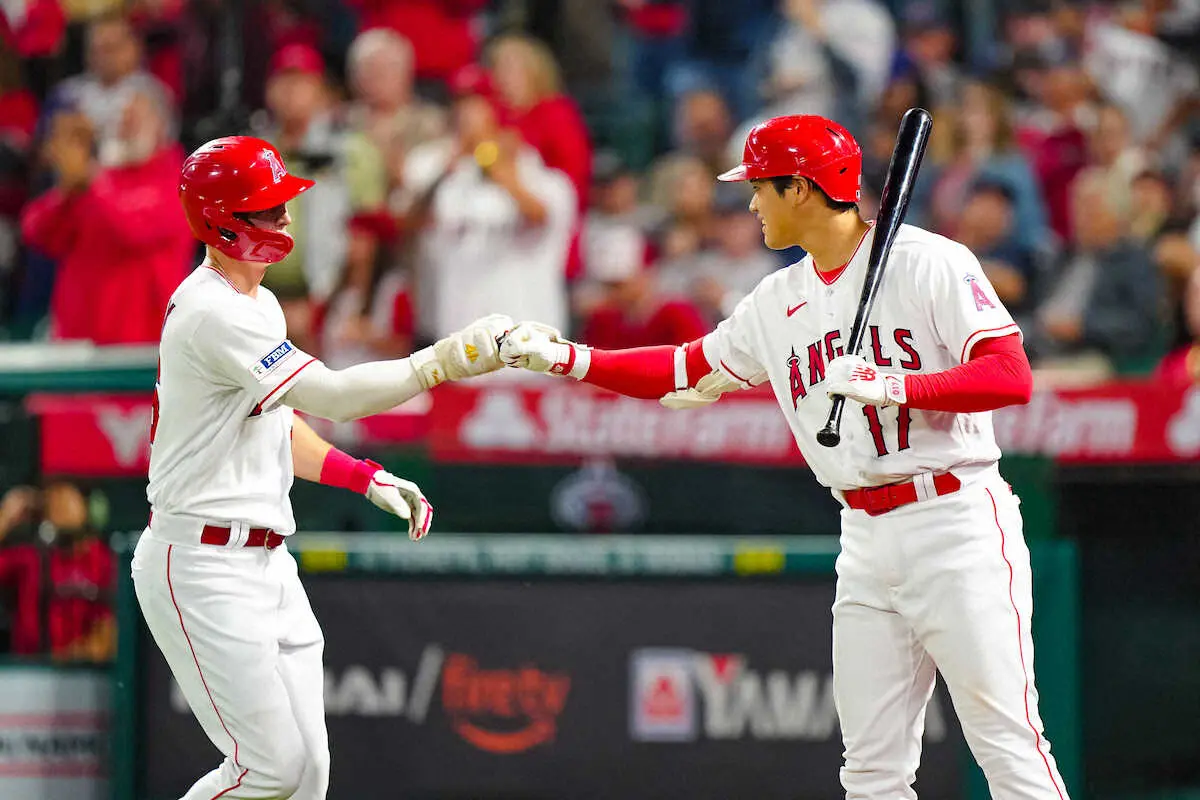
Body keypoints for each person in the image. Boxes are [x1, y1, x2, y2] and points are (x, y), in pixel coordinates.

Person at [501, 115, 1071, 800]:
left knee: (1007, 746)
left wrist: (894, 386)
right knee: (871, 770)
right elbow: (685, 370)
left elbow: (1011, 375)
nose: (750, 204)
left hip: (952, 517)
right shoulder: (779, 299)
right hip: (863, 534)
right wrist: (571, 358)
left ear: (801, 188)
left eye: (761, 188)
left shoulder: (927, 262)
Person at [133, 135, 511, 800]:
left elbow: (279, 427)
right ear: (222, 219)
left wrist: (364, 476)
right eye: (267, 207)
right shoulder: (211, 311)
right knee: (270, 769)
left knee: (307, 776)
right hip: (201, 562)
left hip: (265, 558)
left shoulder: (258, 304)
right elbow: (333, 396)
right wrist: (442, 361)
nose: (285, 219)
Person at [20, 91, 193, 344]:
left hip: (144, 346)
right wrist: (66, 190)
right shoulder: (101, 180)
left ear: (164, 126)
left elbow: (133, 230)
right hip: (77, 341)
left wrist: (91, 177)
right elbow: (37, 232)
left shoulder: (179, 182)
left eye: (135, 117)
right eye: (120, 118)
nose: (125, 125)